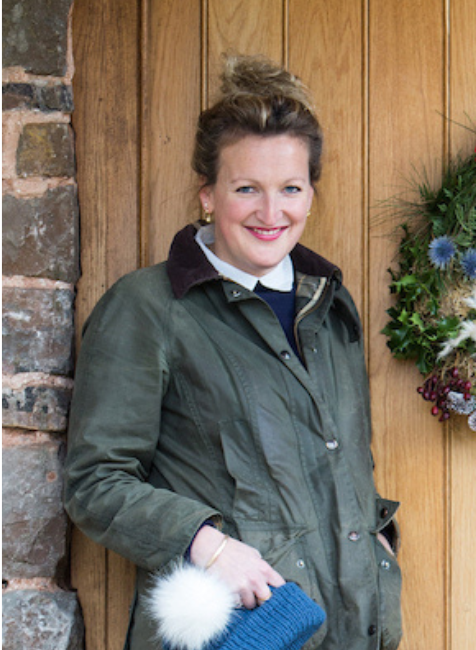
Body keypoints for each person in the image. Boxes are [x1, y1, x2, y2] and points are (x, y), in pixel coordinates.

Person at [64, 55, 402, 650]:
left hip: (353, 628)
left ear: (311, 195)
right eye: (247, 189)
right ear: (208, 195)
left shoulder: (329, 304)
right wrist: (209, 544)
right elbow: (94, 482)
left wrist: (377, 543)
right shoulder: (148, 308)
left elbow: (340, 463)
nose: (272, 215)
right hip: (239, 632)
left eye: (290, 189)